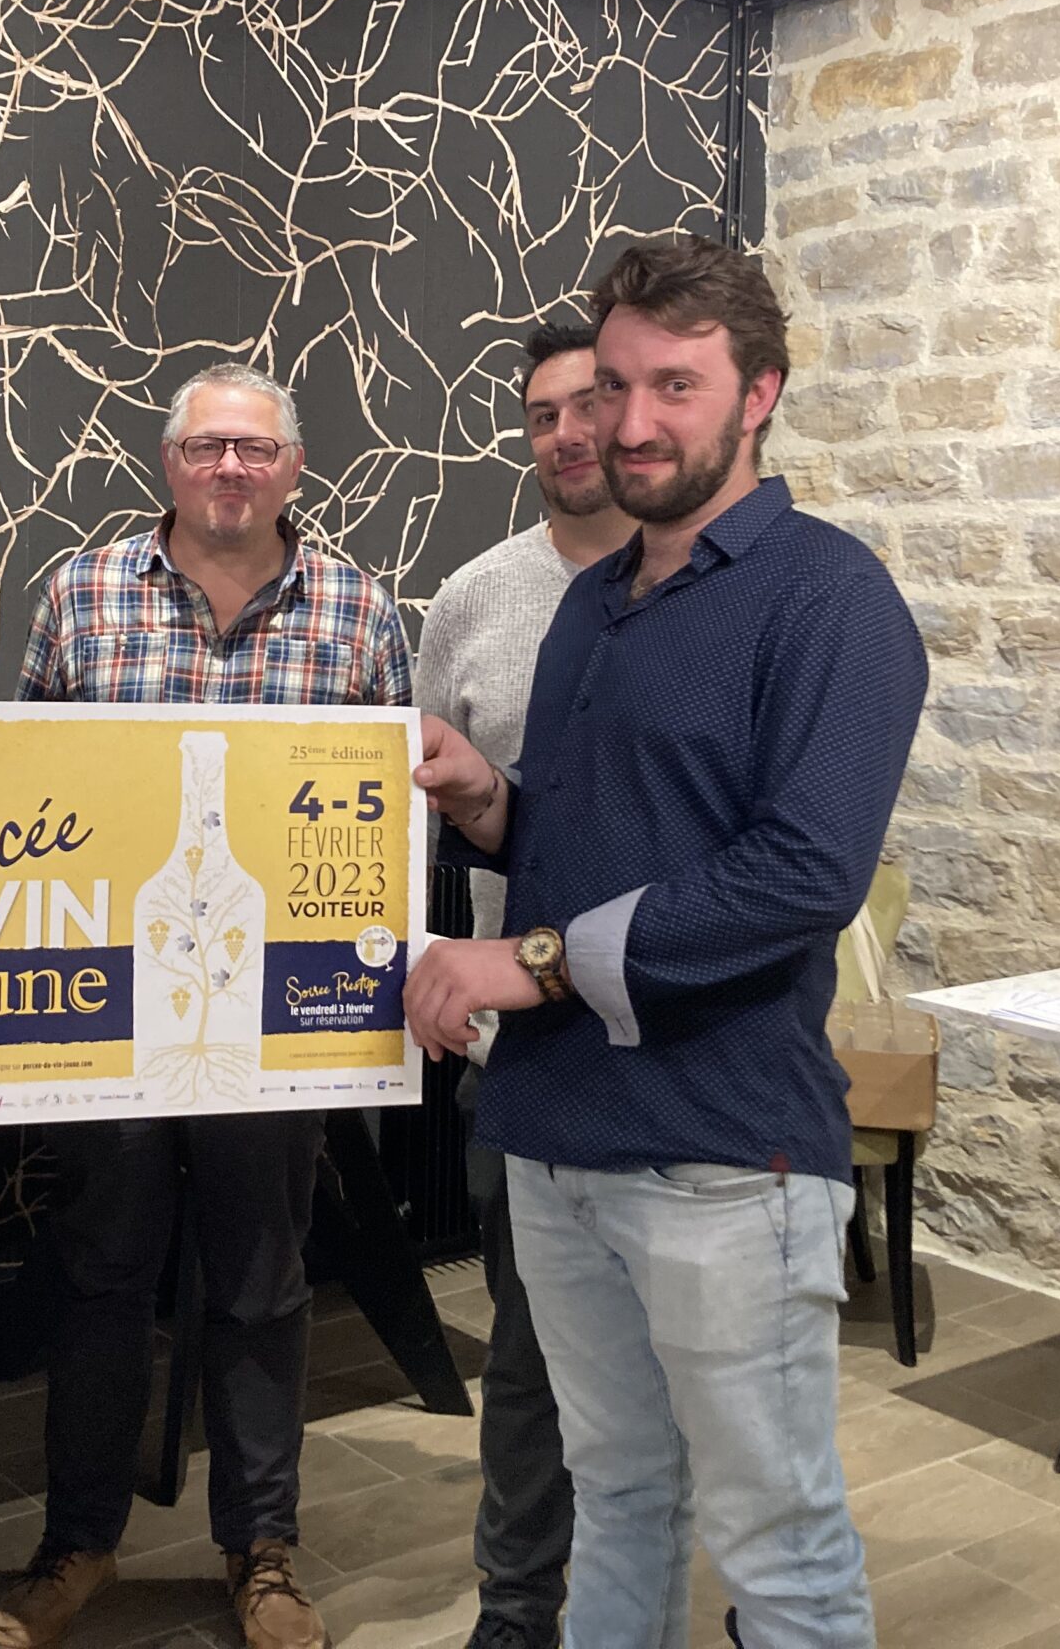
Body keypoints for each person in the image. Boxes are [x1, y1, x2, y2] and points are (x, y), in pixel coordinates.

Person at [407, 237, 927, 1649]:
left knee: (780, 1550)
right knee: (617, 1496)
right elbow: (601, 841)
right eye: (611, 388)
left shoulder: (832, 599)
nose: (627, 424)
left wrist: (528, 964)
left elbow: (801, 873)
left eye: (673, 388)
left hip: (723, 1159)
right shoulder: (591, 602)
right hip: (553, 1137)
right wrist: (491, 801)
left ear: (759, 394)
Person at [0, 365, 413, 1649]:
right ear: (168, 463)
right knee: (99, 1276)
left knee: (262, 1286)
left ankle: (262, 1551)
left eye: (255, 449)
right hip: (110, 1020)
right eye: (206, 447)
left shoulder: (358, 608)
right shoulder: (81, 594)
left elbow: (390, 814)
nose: (230, 468)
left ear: (293, 467)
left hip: (279, 1025)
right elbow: (30, 788)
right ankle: (78, 1542)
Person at [410, 318, 629, 1649]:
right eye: (541, 415)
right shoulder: (473, 599)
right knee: (530, 1358)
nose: (567, 434)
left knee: (688, 1369)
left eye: (588, 404)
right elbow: (439, 802)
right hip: (520, 1052)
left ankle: (640, 1589)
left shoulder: (711, 593)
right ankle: (518, 1610)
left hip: (677, 1043)